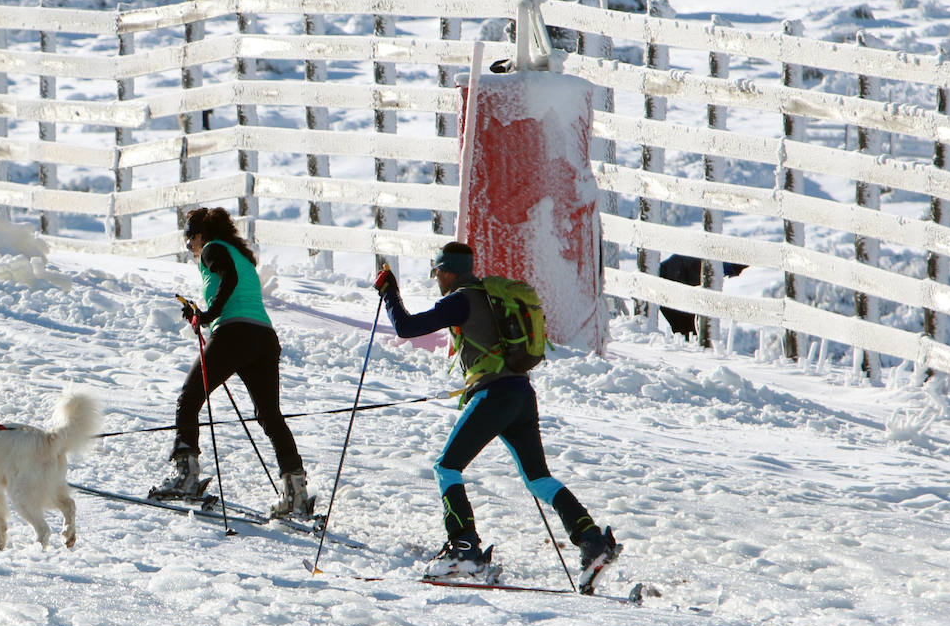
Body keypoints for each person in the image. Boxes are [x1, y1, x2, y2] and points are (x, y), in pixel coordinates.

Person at [374, 241, 620, 586]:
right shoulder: (490, 296)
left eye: (437, 273)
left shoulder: (460, 299)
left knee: (447, 467)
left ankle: (464, 550)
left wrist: (389, 293)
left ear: (446, 271)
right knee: (538, 479)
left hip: (493, 395)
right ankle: (592, 542)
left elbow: (406, 327)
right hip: (521, 394)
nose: (437, 280)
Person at [152, 206, 314, 518]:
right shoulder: (238, 253)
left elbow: (229, 279)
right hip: (263, 337)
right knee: (270, 415)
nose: (190, 248)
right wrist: (202, 315)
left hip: (233, 334)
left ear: (200, 235)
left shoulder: (213, 249)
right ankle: (296, 493)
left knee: (189, 398)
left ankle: (186, 477)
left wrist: (209, 315)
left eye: (190, 241)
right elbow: (233, 286)